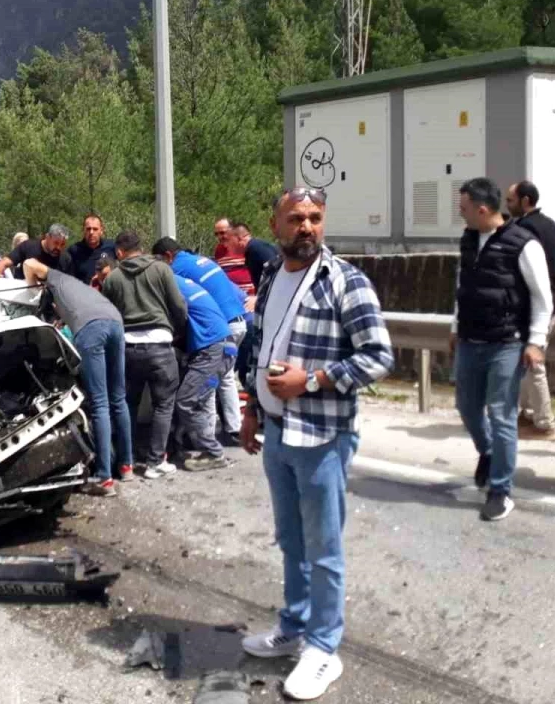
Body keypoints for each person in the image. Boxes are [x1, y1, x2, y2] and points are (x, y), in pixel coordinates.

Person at [239, 187, 393, 701]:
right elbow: (261, 347)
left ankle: (324, 648)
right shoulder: (270, 275)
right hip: (279, 430)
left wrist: (313, 380)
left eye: (315, 218)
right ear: (275, 224)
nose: (306, 227)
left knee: (324, 547)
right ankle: (294, 626)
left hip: (323, 434)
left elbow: (378, 357)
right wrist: (253, 408)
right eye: (296, 218)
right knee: (291, 539)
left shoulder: (345, 282)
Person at [451, 178, 553, 522]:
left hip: (507, 343)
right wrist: (455, 327)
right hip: (469, 340)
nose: (460, 214)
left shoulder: (524, 244)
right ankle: (490, 451)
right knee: (465, 406)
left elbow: (543, 298)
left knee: (501, 413)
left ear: (482, 210)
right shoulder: (468, 240)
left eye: (463, 208)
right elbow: (462, 287)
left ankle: (500, 490)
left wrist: (537, 342)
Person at [22, 257, 133, 494]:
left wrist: (30, 290)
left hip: (91, 329)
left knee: (100, 403)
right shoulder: (77, 287)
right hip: (115, 321)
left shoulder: (55, 278)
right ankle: (126, 465)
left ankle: (104, 478)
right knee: (118, 398)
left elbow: (29, 263)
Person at [98, 231, 188, 479]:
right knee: (163, 404)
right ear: (141, 247)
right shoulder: (161, 269)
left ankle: (127, 458)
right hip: (160, 344)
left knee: (128, 403)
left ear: (119, 252)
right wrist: (178, 331)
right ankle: (155, 461)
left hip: (127, 349)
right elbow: (178, 306)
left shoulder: (112, 278)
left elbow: (108, 315)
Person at [152, 237, 248, 442]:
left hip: (220, 328)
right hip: (238, 320)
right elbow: (238, 294)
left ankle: (207, 435)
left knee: (209, 384)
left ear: (168, 256)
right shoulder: (200, 260)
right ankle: (233, 428)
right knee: (226, 378)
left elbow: (178, 304)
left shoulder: (175, 269)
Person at [505, 180, 555, 441]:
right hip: (554, 303)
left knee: (534, 363)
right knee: (528, 364)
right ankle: (528, 415)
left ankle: (544, 423)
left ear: (525, 200)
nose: (507, 205)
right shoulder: (550, 224)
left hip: (536, 306)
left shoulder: (523, 228)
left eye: (511, 200)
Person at [169, 272, 233, 470]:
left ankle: (214, 452)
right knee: (198, 399)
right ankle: (197, 444)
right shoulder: (182, 282)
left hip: (213, 350)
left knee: (186, 400)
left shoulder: (170, 285)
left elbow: (177, 317)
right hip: (220, 346)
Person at [0, 225, 72, 279]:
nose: (58, 247)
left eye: (62, 244)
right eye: (56, 243)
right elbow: (4, 262)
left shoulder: (65, 259)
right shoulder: (28, 246)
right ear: (47, 237)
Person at [230, 221, 278, 293]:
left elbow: (275, 271)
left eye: (230, 240)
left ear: (239, 238)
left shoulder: (256, 248)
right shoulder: (253, 249)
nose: (228, 245)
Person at [68, 213, 117, 283]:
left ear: (101, 230)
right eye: (88, 229)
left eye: (95, 229)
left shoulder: (111, 247)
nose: (91, 232)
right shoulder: (73, 251)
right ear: (83, 230)